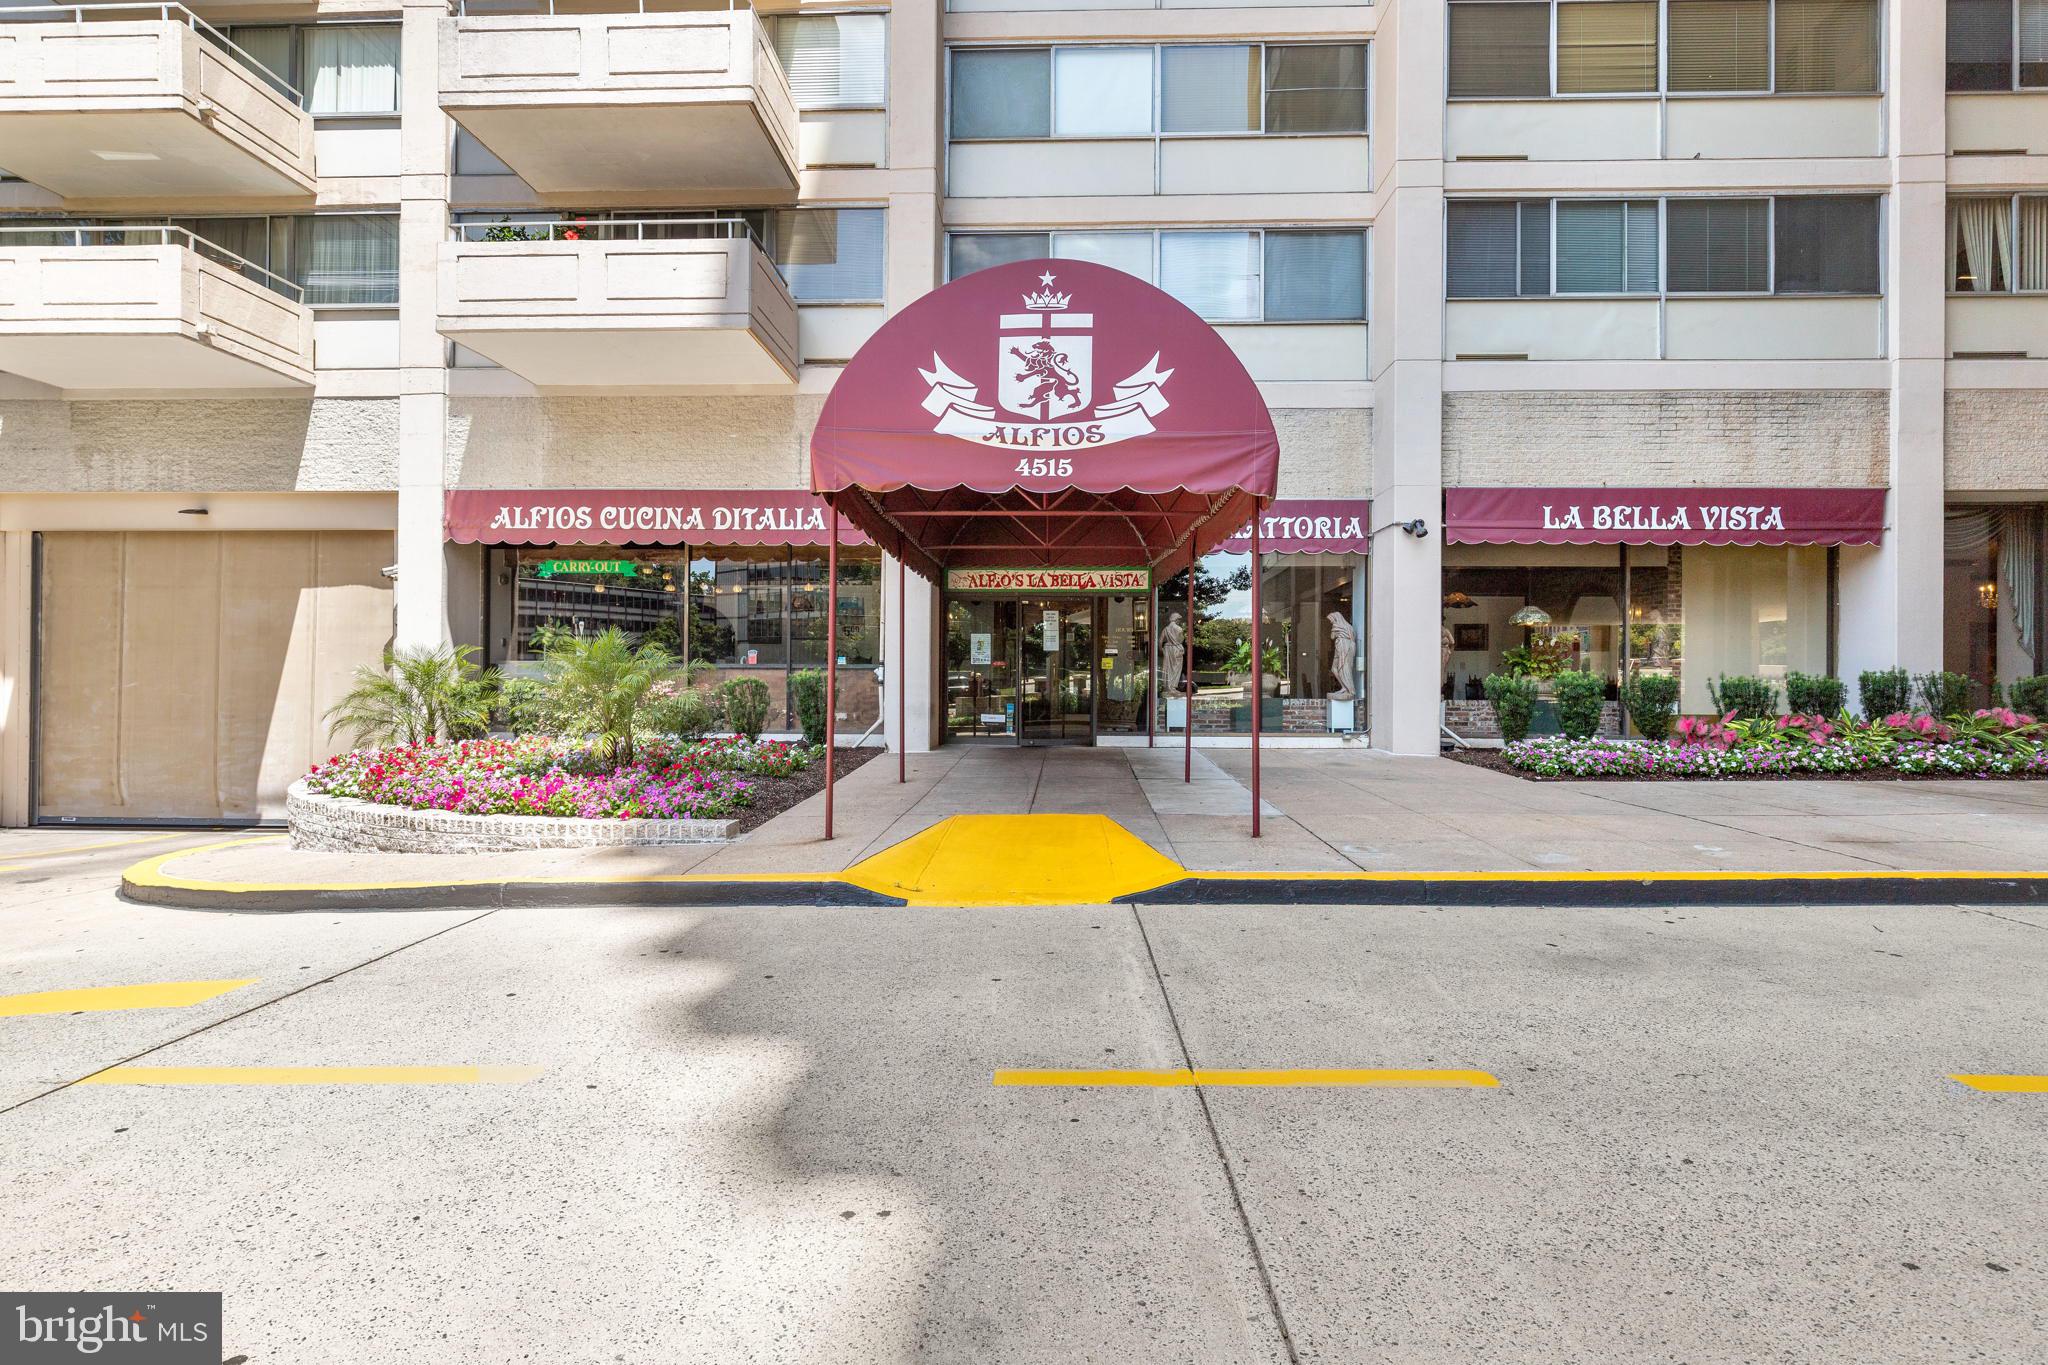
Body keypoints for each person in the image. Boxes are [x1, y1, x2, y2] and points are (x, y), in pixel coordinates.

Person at [1327, 611, 1357, 701]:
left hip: (1342, 647)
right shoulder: (1349, 627)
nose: (1331, 622)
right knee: (1338, 668)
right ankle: (1344, 687)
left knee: (1342, 668)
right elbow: (1353, 638)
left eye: (1331, 620)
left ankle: (1349, 689)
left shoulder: (1336, 626)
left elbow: (1332, 636)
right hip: (1346, 647)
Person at [1160, 611, 1187, 695]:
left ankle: (1167, 687)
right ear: (1176, 619)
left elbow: (1160, 641)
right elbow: (1181, 640)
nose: (1179, 621)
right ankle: (1172, 688)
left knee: (1167, 668)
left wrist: (1162, 650)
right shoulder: (1179, 629)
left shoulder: (1166, 629)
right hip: (1176, 649)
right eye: (1179, 620)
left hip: (1167, 649)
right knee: (1176, 669)